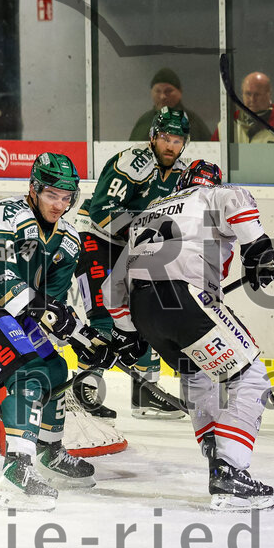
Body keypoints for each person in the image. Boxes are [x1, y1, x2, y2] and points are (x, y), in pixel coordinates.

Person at [103, 159, 274, 511]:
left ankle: (216, 453)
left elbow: (112, 288)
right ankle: (229, 471)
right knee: (250, 378)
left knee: (197, 375)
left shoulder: (149, 212)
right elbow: (237, 200)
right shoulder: (209, 196)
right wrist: (258, 247)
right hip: (184, 299)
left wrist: (130, 333)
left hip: (144, 311)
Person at [0, 152, 115, 511]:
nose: (60, 205)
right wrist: (54, 317)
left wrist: (84, 338)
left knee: (55, 369)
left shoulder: (68, 238)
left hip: (12, 314)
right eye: (53, 195)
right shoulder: (4, 215)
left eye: (67, 198)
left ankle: (49, 453)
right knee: (30, 374)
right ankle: (15, 474)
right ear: (34, 189)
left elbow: (51, 303)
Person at [75, 107, 191, 420]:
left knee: (145, 313)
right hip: (95, 239)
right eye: (166, 138)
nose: (170, 145)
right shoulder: (134, 162)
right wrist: (145, 232)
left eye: (177, 140)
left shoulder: (182, 174)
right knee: (102, 319)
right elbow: (101, 210)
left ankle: (145, 395)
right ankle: (82, 392)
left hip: (130, 247)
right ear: (153, 136)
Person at [212, 71, 274, 144]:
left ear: (269, 94)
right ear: (242, 94)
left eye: (257, 95)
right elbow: (211, 159)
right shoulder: (227, 126)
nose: (252, 99)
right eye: (248, 94)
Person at [129, 68, 212, 142]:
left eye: (168, 91)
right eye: (158, 91)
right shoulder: (144, 121)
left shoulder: (193, 121)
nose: (162, 97)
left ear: (180, 92)